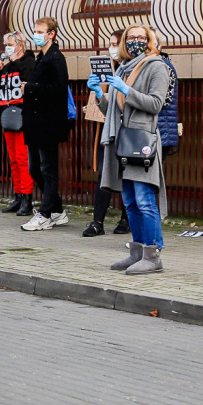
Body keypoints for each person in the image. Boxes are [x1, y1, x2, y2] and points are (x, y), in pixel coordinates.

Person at [87, 24, 170, 274]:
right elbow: (113, 111)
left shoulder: (157, 66)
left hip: (141, 142)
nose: (135, 41)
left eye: (141, 37)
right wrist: (99, 95)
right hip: (122, 141)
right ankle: (136, 253)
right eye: (130, 37)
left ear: (149, 41)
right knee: (130, 201)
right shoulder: (122, 68)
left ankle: (153, 256)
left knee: (145, 201)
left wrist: (126, 90)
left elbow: (156, 104)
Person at [19, 17, 70, 231]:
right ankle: (56, 208)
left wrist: (30, 88)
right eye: (35, 30)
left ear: (51, 34)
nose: (36, 35)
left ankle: (46, 213)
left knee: (48, 169)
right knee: (34, 169)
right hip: (35, 122)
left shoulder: (56, 58)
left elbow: (59, 89)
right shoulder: (42, 56)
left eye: (40, 31)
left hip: (48, 122)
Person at [83, 29, 130, 237]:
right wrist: (96, 103)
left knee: (128, 175)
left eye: (114, 44)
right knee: (104, 174)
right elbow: (104, 103)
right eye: (109, 44)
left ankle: (126, 219)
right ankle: (97, 221)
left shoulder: (132, 70)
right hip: (109, 130)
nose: (111, 48)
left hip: (128, 131)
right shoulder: (109, 70)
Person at [0, 30, 36, 215]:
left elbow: (28, 80)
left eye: (10, 44)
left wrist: (15, 61)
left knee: (24, 158)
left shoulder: (29, 63)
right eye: (6, 45)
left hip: (23, 116)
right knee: (14, 159)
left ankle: (27, 198)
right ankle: (17, 196)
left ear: (20, 45)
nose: (7, 48)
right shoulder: (6, 67)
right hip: (8, 115)